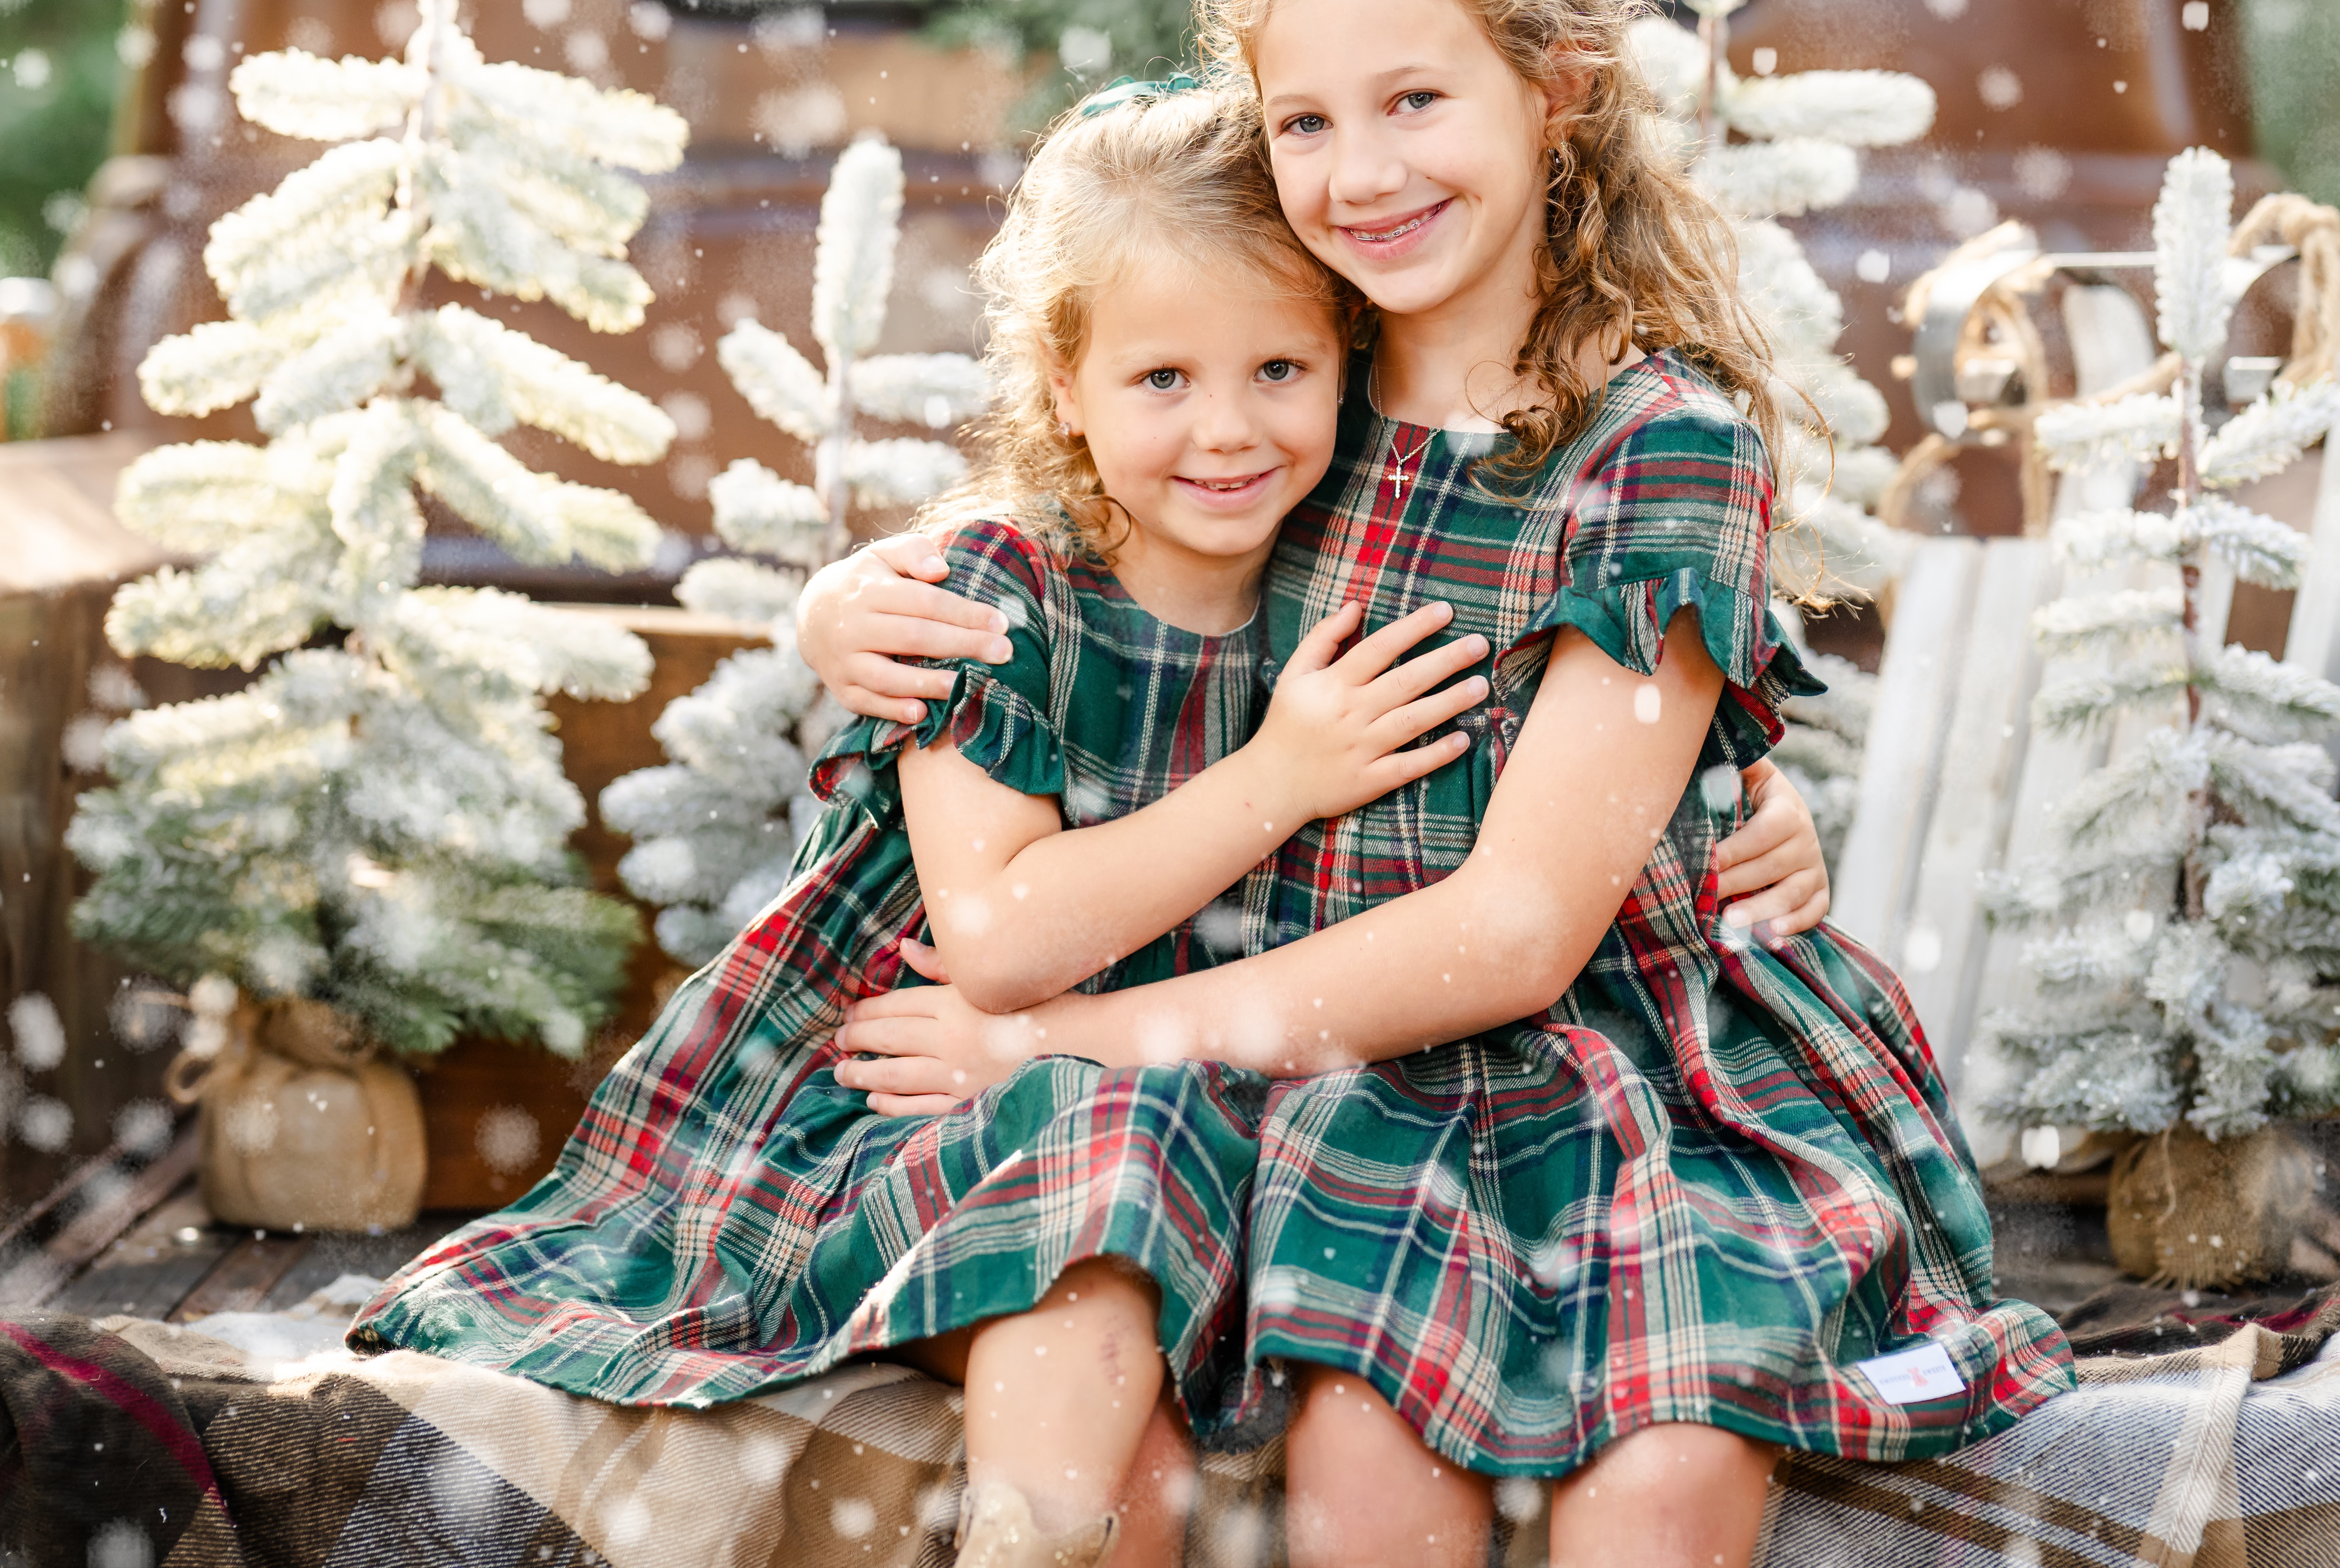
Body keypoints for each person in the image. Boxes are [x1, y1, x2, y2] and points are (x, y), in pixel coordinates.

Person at [807, 0, 2073, 1568]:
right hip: (1354, 1075)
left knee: (1667, 1468)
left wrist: (1047, 1041)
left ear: (1557, 91)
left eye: (1417, 101)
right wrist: (847, 591)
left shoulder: (1655, 448)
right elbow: (1101, 486)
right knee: (1366, 1464)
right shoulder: (1302, 379)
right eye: (1305, 121)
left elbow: (1522, 931)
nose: (1362, 172)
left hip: (1642, 1073)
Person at [354, 83, 1834, 1568]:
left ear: (1346, 369)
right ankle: (1028, 1539)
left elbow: (1564, 734)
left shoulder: (1330, 539)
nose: (1228, 429)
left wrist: (1754, 810)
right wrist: (1277, 778)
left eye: (1279, 368)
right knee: (1100, 1230)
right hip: (938, 1088)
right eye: (1161, 382)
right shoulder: (1001, 594)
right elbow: (998, 945)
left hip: (1194, 1095)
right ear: (1064, 385)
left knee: (1145, 1270)